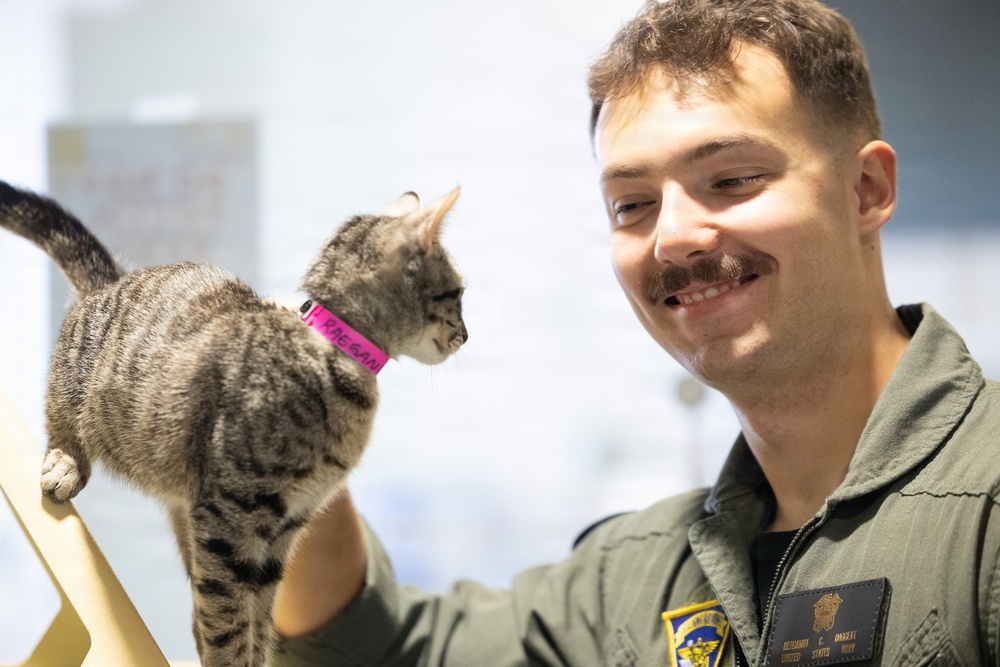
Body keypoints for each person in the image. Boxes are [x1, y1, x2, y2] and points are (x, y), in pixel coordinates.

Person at [271, 0, 1000, 664]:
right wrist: (294, 396)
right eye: (632, 204)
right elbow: (368, 647)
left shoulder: (982, 506)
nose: (673, 237)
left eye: (733, 179)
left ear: (866, 191)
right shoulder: (636, 580)